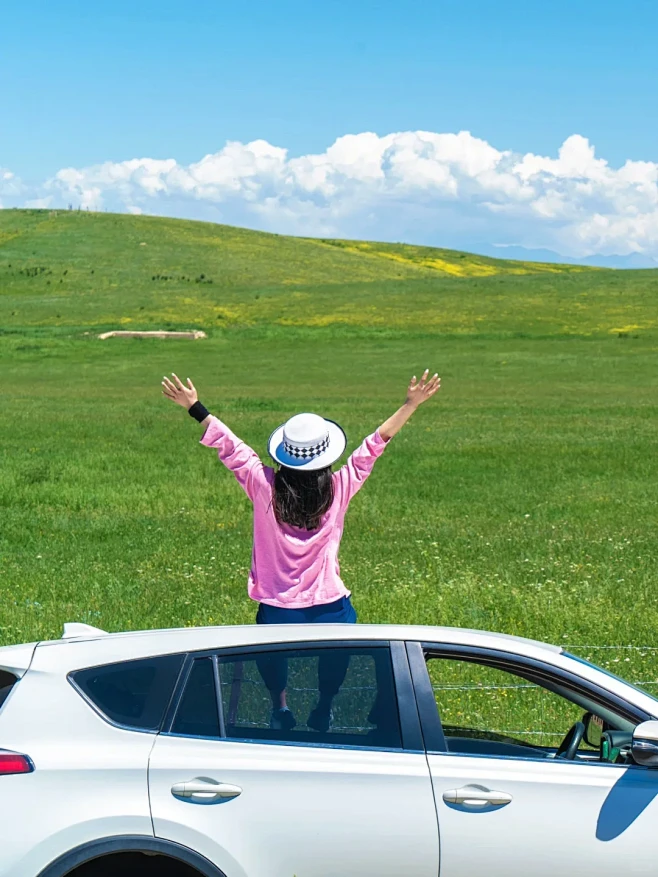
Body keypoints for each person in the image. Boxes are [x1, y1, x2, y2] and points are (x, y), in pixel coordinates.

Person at [162, 369, 441, 732]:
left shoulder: (263, 486)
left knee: (271, 657)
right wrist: (410, 404)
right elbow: (374, 444)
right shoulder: (340, 488)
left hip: (276, 605)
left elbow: (232, 447)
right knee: (337, 659)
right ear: (325, 458)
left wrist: (194, 407)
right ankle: (324, 706)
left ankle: (280, 709)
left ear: (285, 457)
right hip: (329, 605)